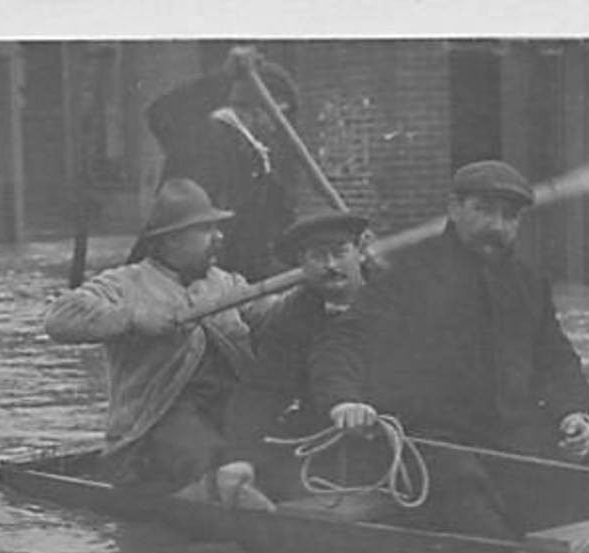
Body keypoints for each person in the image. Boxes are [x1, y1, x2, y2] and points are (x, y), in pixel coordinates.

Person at [308, 159, 589, 537]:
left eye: (509, 216)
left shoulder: (528, 284)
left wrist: (575, 415)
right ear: (454, 209)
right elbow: (344, 341)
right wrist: (344, 401)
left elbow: (556, 359)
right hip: (434, 438)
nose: (496, 226)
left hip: (514, 434)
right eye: (483, 211)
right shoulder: (405, 274)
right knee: (467, 497)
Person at [43, 178, 275, 510]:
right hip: (151, 433)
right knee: (209, 459)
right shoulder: (125, 283)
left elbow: (273, 315)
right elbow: (58, 318)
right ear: (171, 240)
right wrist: (133, 317)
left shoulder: (225, 283)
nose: (219, 237)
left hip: (226, 415)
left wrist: (319, 290)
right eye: (206, 230)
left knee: (270, 450)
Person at [222, 210, 375, 497]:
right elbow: (263, 390)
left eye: (340, 252)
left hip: (402, 431)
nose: (331, 265)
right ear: (302, 264)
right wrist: (239, 456)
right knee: (275, 478)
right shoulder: (293, 317)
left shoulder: (398, 298)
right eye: (318, 256)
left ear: (361, 251)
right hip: (326, 434)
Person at [139, 47, 299, 281]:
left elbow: (278, 215)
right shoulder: (207, 135)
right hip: (185, 271)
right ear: (251, 110)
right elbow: (162, 113)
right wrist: (224, 77)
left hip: (235, 272)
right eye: (279, 115)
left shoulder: (257, 153)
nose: (279, 126)